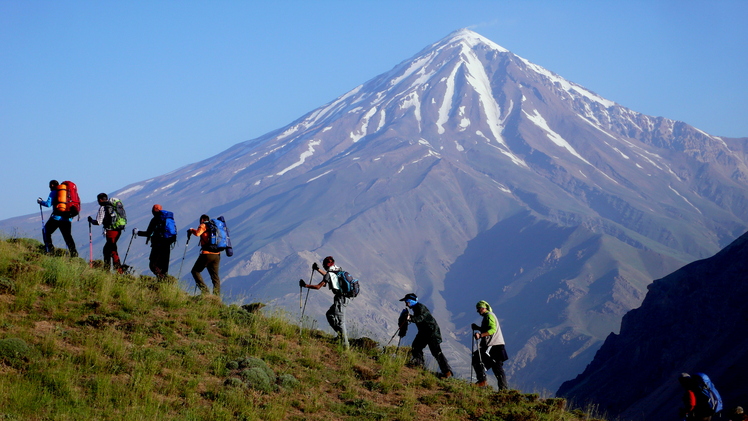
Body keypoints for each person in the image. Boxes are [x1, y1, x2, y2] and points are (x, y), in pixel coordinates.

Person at [299, 256, 350, 349]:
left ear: (326, 265)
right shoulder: (338, 269)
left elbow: (319, 286)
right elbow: (327, 275)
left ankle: (345, 346)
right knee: (330, 314)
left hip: (340, 299)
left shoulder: (330, 273)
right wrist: (318, 269)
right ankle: (340, 336)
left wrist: (305, 285)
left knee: (341, 322)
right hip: (344, 298)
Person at [399, 293, 452, 378]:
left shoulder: (420, 308)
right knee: (416, 346)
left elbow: (420, 318)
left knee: (436, 352)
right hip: (424, 332)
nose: (406, 304)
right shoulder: (417, 308)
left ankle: (447, 371)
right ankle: (418, 364)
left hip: (431, 332)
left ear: (411, 301)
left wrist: (410, 318)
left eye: (407, 302)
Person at [471, 300, 508, 389]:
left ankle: (483, 381)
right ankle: (502, 389)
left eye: (478, 309)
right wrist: (478, 328)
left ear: (483, 308)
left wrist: (480, 335)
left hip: (493, 345)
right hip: (496, 345)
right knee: (496, 367)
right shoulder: (488, 316)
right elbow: (488, 329)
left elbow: (492, 330)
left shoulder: (489, 316)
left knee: (478, 359)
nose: (477, 311)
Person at [37, 179, 77, 257]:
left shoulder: (54, 192)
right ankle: (74, 253)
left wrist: (40, 202)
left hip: (57, 218)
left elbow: (48, 204)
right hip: (67, 218)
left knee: (46, 232)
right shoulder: (68, 193)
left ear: (52, 185)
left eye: (49, 186)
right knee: (68, 236)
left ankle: (50, 250)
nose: (49, 188)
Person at [134, 204, 175, 279]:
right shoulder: (168, 218)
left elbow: (148, 233)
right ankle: (165, 283)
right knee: (164, 267)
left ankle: (162, 279)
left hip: (158, 245)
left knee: (153, 265)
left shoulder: (155, 219)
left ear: (153, 211)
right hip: (167, 244)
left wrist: (138, 232)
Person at [87, 193, 125, 273]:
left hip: (111, 231)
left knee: (111, 249)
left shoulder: (103, 207)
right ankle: (110, 269)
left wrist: (91, 220)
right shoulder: (113, 205)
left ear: (100, 200)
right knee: (109, 249)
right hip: (118, 230)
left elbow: (98, 222)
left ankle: (116, 270)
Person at [187, 214, 221, 296]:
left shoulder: (203, 225)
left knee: (195, 271)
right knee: (215, 277)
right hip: (217, 255)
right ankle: (216, 297)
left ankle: (205, 292)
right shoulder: (215, 227)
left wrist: (191, 230)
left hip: (206, 254)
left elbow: (198, 234)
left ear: (202, 220)